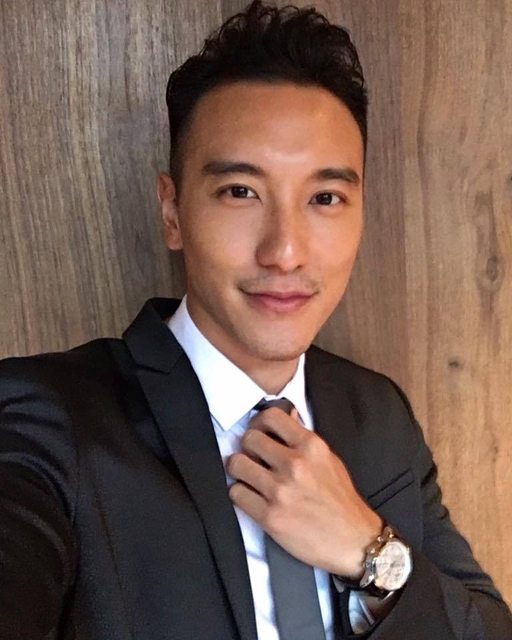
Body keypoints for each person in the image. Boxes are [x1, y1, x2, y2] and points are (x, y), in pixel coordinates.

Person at [0, 1, 511, 638]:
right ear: (173, 212)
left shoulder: (378, 414)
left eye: (325, 198)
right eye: (240, 192)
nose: (285, 252)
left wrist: (369, 553)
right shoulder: (49, 416)